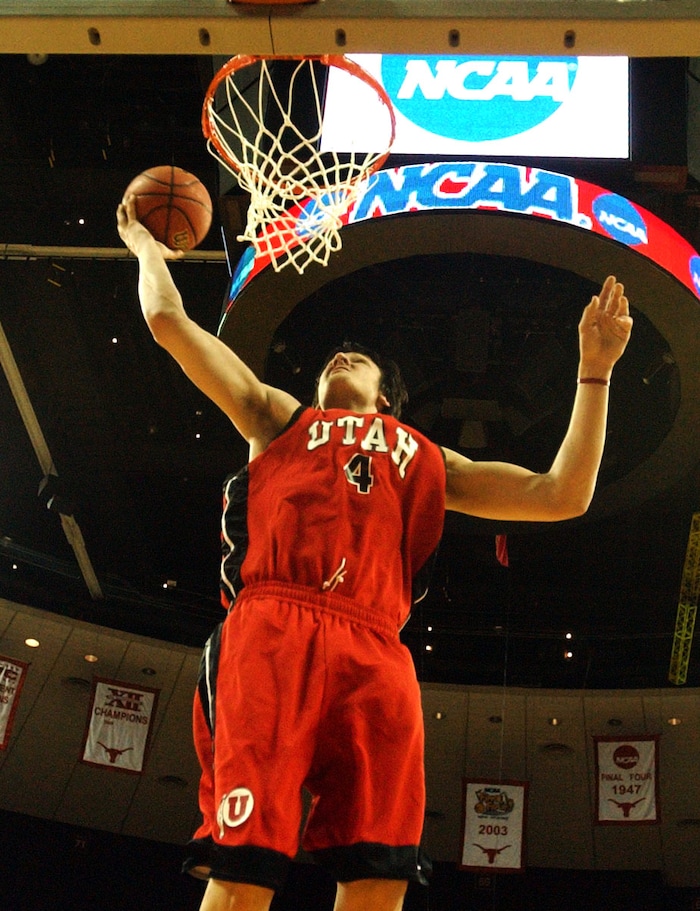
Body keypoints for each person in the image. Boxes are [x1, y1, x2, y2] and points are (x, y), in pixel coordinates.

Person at [117, 194, 632, 911]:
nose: (342, 355)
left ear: (387, 399)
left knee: (379, 866)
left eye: (358, 358)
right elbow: (168, 322)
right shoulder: (278, 418)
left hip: (374, 646)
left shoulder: (424, 457)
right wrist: (146, 247)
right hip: (272, 629)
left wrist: (595, 372)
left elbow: (561, 493)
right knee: (245, 859)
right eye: (333, 356)